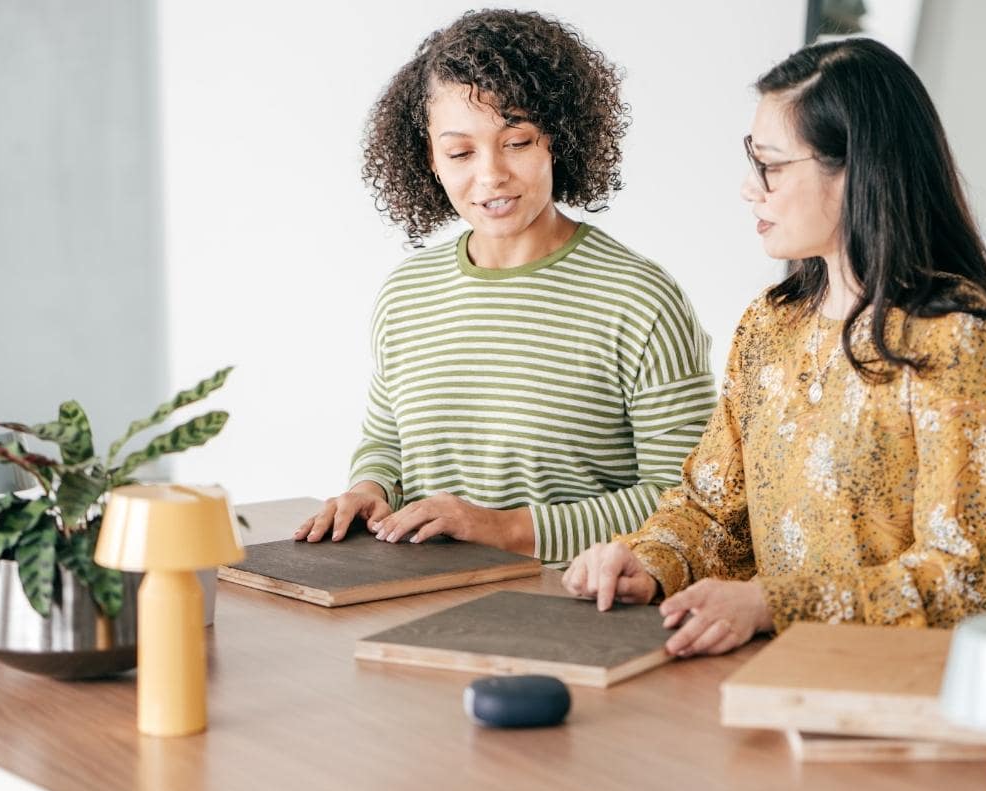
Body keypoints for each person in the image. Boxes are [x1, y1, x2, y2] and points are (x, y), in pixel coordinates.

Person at [563, 37, 986, 656]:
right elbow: (714, 513)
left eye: (770, 164)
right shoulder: (771, 325)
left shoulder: (959, 338)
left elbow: (959, 579)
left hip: (955, 680)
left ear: (856, 170)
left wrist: (772, 603)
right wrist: (650, 560)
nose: (750, 187)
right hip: (802, 662)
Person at [294, 10, 715, 561]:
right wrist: (369, 490)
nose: (490, 175)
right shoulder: (407, 293)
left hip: (578, 609)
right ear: (430, 160)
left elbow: (689, 500)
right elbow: (387, 444)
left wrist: (503, 528)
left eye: (516, 142)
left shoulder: (639, 300)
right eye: (461, 152)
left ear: (556, 141)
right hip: (420, 603)